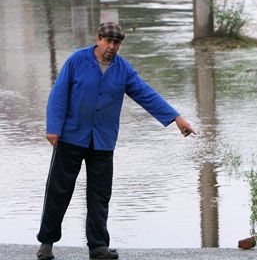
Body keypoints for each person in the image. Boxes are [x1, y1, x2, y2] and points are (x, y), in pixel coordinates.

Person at [36, 22, 195, 260]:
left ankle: (98, 247)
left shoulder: (123, 69)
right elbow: (59, 94)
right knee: (59, 191)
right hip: (71, 136)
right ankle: (46, 244)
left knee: (99, 195)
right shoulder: (77, 61)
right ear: (98, 39)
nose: (111, 47)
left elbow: (145, 93)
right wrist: (53, 128)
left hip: (102, 140)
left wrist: (176, 118)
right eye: (108, 41)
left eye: (116, 43)